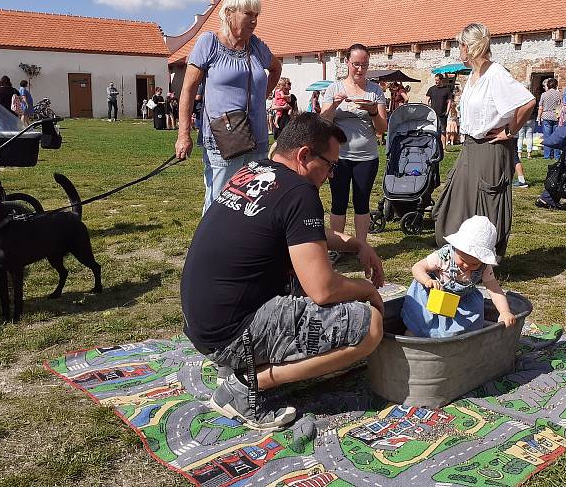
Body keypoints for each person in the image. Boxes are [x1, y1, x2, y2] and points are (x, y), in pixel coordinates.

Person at [180, 112, 384, 430]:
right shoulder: (301, 192)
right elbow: (323, 288)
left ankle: (238, 364)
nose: (331, 175)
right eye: (331, 165)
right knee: (369, 324)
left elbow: (303, 233)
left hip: (205, 323)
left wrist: (355, 245)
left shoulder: (255, 171)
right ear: (304, 155)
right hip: (232, 332)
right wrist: (367, 289)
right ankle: (247, 383)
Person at [175, 0, 283, 214]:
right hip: (224, 138)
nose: (254, 20)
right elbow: (187, 90)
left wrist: (262, 95)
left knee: (253, 198)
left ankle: (244, 248)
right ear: (229, 13)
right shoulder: (209, 43)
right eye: (248, 14)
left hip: (257, 136)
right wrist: (183, 135)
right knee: (220, 200)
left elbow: (275, 68)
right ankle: (211, 247)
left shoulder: (256, 46)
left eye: (257, 15)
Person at [433, 23, 535, 258]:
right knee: (457, 201)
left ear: (467, 46)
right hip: (470, 147)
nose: (459, 49)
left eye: (460, 45)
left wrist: (509, 131)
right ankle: (461, 254)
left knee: (486, 204)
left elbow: (527, 102)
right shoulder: (473, 76)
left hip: (491, 149)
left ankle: (484, 259)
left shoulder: (496, 73)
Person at [402, 216, 516, 338]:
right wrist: (426, 280)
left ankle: (455, 344)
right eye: (462, 260)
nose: (466, 265)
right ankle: (412, 337)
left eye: (474, 264)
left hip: (460, 302)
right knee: (420, 323)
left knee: (461, 329)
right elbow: (417, 267)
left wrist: (505, 312)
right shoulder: (444, 256)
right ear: (456, 247)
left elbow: (495, 290)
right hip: (433, 296)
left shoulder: (484, 267)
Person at [321, 44, 388, 245]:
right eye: (356, 64)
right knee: (338, 202)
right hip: (338, 157)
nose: (360, 69)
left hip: (366, 157)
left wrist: (373, 111)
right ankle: (337, 247)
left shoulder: (375, 91)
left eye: (364, 65)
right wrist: (333, 104)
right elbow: (323, 122)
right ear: (347, 63)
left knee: (362, 203)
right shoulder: (334, 89)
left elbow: (382, 128)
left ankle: (360, 247)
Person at [537, 77, 561, 160]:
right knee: (556, 137)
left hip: (546, 116)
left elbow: (540, 107)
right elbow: (561, 106)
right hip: (556, 116)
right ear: (556, 85)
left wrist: (538, 117)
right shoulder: (559, 94)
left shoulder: (544, 94)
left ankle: (547, 155)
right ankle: (556, 155)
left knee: (547, 137)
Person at [427, 73, 453, 148]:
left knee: (443, 131)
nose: (436, 82)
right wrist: (428, 109)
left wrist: (447, 112)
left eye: (437, 80)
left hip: (442, 113)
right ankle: (433, 146)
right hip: (433, 113)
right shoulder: (432, 89)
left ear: (441, 80)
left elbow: (449, 101)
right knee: (433, 130)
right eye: (435, 80)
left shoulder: (447, 90)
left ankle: (443, 147)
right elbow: (427, 100)